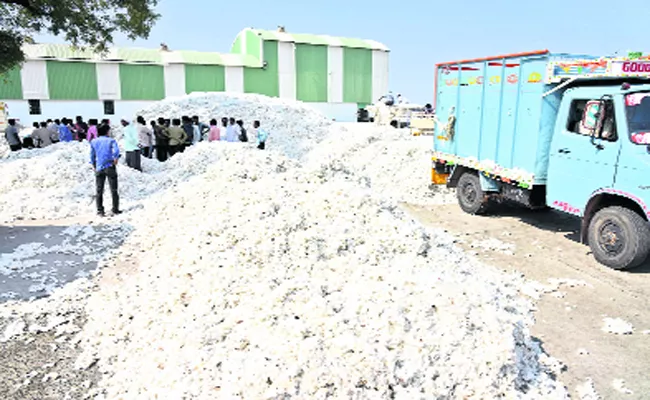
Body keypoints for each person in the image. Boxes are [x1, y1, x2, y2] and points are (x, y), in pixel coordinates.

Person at [90, 124, 121, 217]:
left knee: (99, 190)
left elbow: (92, 155)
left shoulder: (94, 141)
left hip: (99, 167)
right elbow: (116, 151)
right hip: (109, 166)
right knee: (114, 189)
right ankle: (115, 209)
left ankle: (100, 210)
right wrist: (115, 158)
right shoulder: (111, 140)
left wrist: (93, 164)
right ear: (107, 131)